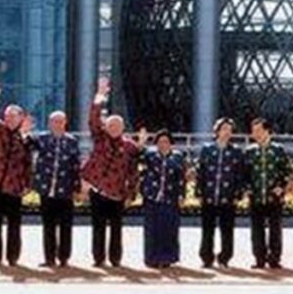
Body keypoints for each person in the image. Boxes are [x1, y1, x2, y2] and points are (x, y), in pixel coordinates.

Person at [81, 77, 143, 268]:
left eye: (117, 126)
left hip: (117, 193)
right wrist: (100, 95)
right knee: (98, 227)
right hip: (98, 191)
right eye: (110, 126)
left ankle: (116, 259)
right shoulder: (100, 138)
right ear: (106, 127)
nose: (114, 129)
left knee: (116, 228)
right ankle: (98, 259)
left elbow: (133, 171)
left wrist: (131, 193)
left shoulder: (130, 146)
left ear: (123, 128)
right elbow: (93, 118)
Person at [0, 82, 32, 267]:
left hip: (14, 186)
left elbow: (28, 163)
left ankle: (13, 258)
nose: (10, 119)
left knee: (14, 224)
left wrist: (27, 184)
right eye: (8, 116)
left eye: (14, 116)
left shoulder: (25, 136)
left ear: (21, 118)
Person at [26, 110, 81, 268]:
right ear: (49, 124)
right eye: (54, 121)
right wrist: (26, 130)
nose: (57, 124)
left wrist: (77, 188)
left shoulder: (72, 141)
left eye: (60, 121)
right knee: (48, 226)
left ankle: (64, 258)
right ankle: (49, 258)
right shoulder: (42, 139)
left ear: (65, 123)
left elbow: (75, 165)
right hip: (46, 189)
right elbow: (25, 144)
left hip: (65, 189)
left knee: (66, 225)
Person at [196, 117, 246, 268]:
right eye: (224, 129)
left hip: (228, 197)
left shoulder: (236, 151)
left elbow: (240, 175)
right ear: (217, 131)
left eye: (230, 130)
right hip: (209, 196)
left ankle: (224, 258)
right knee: (207, 230)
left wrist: (238, 194)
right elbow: (201, 172)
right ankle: (206, 258)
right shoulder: (207, 149)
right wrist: (199, 192)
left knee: (227, 230)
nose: (227, 132)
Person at [245, 118, 290, 269]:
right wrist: (247, 188)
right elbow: (245, 173)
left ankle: (274, 259)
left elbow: (286, 171)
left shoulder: (278, 149)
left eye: (257, 130)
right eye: (253, 130)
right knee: (256, 230)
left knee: (275, 229)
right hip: (256, 196)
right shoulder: (250, 151)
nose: (254, 133)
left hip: (274, 197)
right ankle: (259, 258)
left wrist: (281, 186)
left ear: (267, 130)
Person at [139, 129, 187, 269]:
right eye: (160, 142)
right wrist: (141, 142)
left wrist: (181, 195)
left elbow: (181, 178)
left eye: (166, 141)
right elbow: (138, 156)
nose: (163, 144)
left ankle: (168, 258)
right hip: (152, 196)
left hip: (170, 197)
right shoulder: (150, 155)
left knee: (170, 228)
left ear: (171, 143)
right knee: (152, 229)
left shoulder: (178, 157)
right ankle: (151, 258)